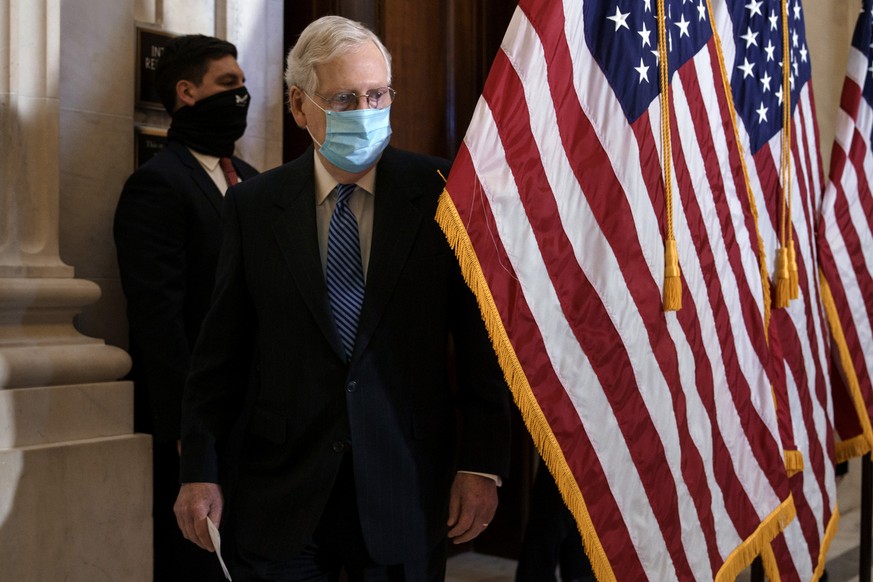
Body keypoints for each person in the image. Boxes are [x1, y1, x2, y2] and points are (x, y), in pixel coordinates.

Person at [173, 15, 512, 581]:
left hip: (406, 486)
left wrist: (482, 465)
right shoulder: (254, 207)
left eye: (377, 94)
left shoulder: (444, 195)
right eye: (345, 98)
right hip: (282, 494)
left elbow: (483, 346)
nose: (366, 112)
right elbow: (218, 359)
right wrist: (198, 470)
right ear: (300, 106)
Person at [114, 34, 259, 582]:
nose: (242, 96)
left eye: (243, 85)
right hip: (195, 420)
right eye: (228, 84)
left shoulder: (251, 180)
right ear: (186, 92)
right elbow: (158, 319)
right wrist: (184, 426)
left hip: (254, 413)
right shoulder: (156, 186)